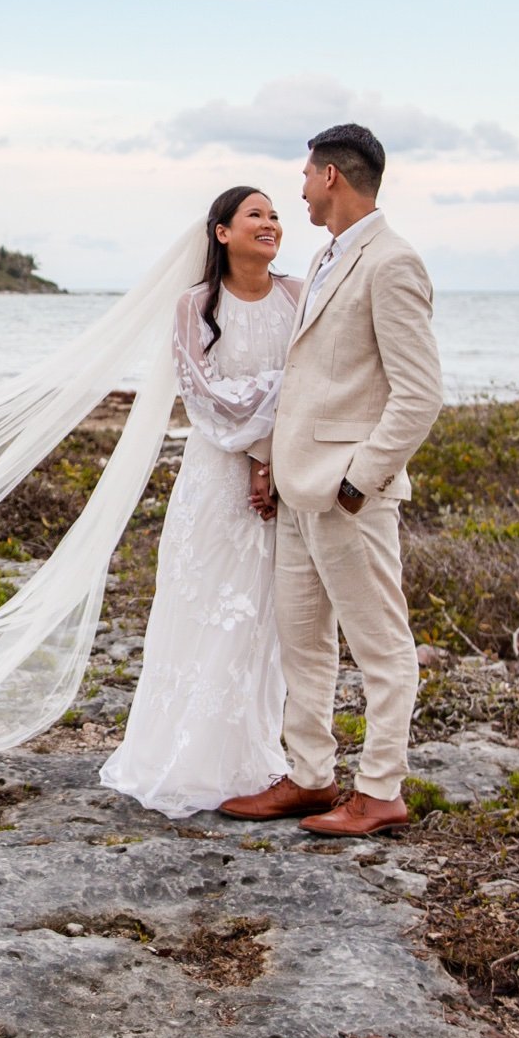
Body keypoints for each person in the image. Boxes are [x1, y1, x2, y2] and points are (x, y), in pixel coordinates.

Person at [219, 123, 442, 837]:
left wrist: (361, 480)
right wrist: (274, 465)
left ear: (333, 178)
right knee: (303, 641)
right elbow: (310, 379)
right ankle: (311, 777)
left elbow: (420, 393)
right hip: (298, 490)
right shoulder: (323, 258)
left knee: (381, 644)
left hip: (349, 497)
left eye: (307, 176)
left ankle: (380, 790)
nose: (300, 189)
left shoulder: (393, 263)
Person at [99, 186, 300, 816]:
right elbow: (208, 398)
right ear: (221, 232)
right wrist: (259, 443)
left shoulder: (299, 296)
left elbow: (309, 383)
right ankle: (185, 758)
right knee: (206, 607)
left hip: (283, 475)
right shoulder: (194, 305)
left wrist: (271, 455)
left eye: (275, 215)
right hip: (215, 479)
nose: (270, 223)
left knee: (261, 618)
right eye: (256, 215)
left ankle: (254, 756)